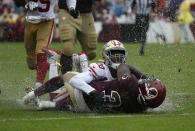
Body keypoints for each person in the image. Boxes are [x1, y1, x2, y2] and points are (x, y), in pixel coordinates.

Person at [22, 40, 166, 113]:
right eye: (114, 54)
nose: (117, 58)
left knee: (58, 106)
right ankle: (40, 84)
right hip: (83, 91)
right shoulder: (100, 68)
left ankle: (81, 61)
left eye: (120, 55)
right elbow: (75, 80)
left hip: (93, 102)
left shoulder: (125, 73)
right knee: (65, 79)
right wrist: (93, 92)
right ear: (105, 57)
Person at [14, 0, 77, 89]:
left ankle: (37, 88)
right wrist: (26, 3)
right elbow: (17, 3)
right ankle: (53, 65)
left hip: (46, 23)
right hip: (30, 23)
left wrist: (71, 9)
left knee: (41, 52)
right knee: (32, 64)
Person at [58, 0, 98, 75]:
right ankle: (66, 78)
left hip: (86, 13)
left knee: (91, 52)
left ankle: (78, 66)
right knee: (67, 47)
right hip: (67, 12)